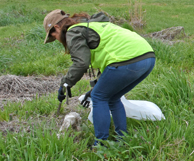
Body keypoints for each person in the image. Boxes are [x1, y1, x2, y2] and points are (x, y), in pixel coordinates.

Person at [43, 9, 156, 145]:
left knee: (98, 97)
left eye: (53, 35)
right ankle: (122, 139)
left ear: (57, 27)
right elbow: (108, 64)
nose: (56, 38)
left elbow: (81, 63)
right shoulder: (91, 26)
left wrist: (65, 84)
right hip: (147, 57)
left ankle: (100, 145)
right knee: (113, 97)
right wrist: (95, 87)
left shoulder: (74, 31)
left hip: (127, 59)